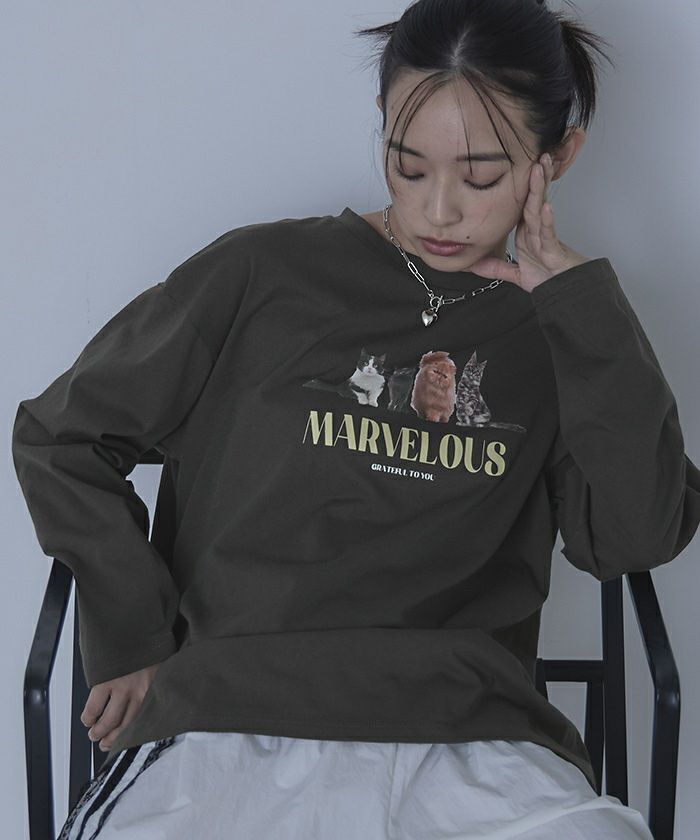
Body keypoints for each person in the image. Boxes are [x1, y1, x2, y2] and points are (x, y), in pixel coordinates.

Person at [12, 1, 700, 838]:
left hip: (473, 742)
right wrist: (132, 629)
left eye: (481, 178)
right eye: (408, 166)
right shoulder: (260, 274)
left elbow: (634, 537)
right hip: (226, 724)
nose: (438, 210)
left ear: (556, 158)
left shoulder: (561, 331)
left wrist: (583, 308)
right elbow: (62, 435)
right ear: (381, 123)